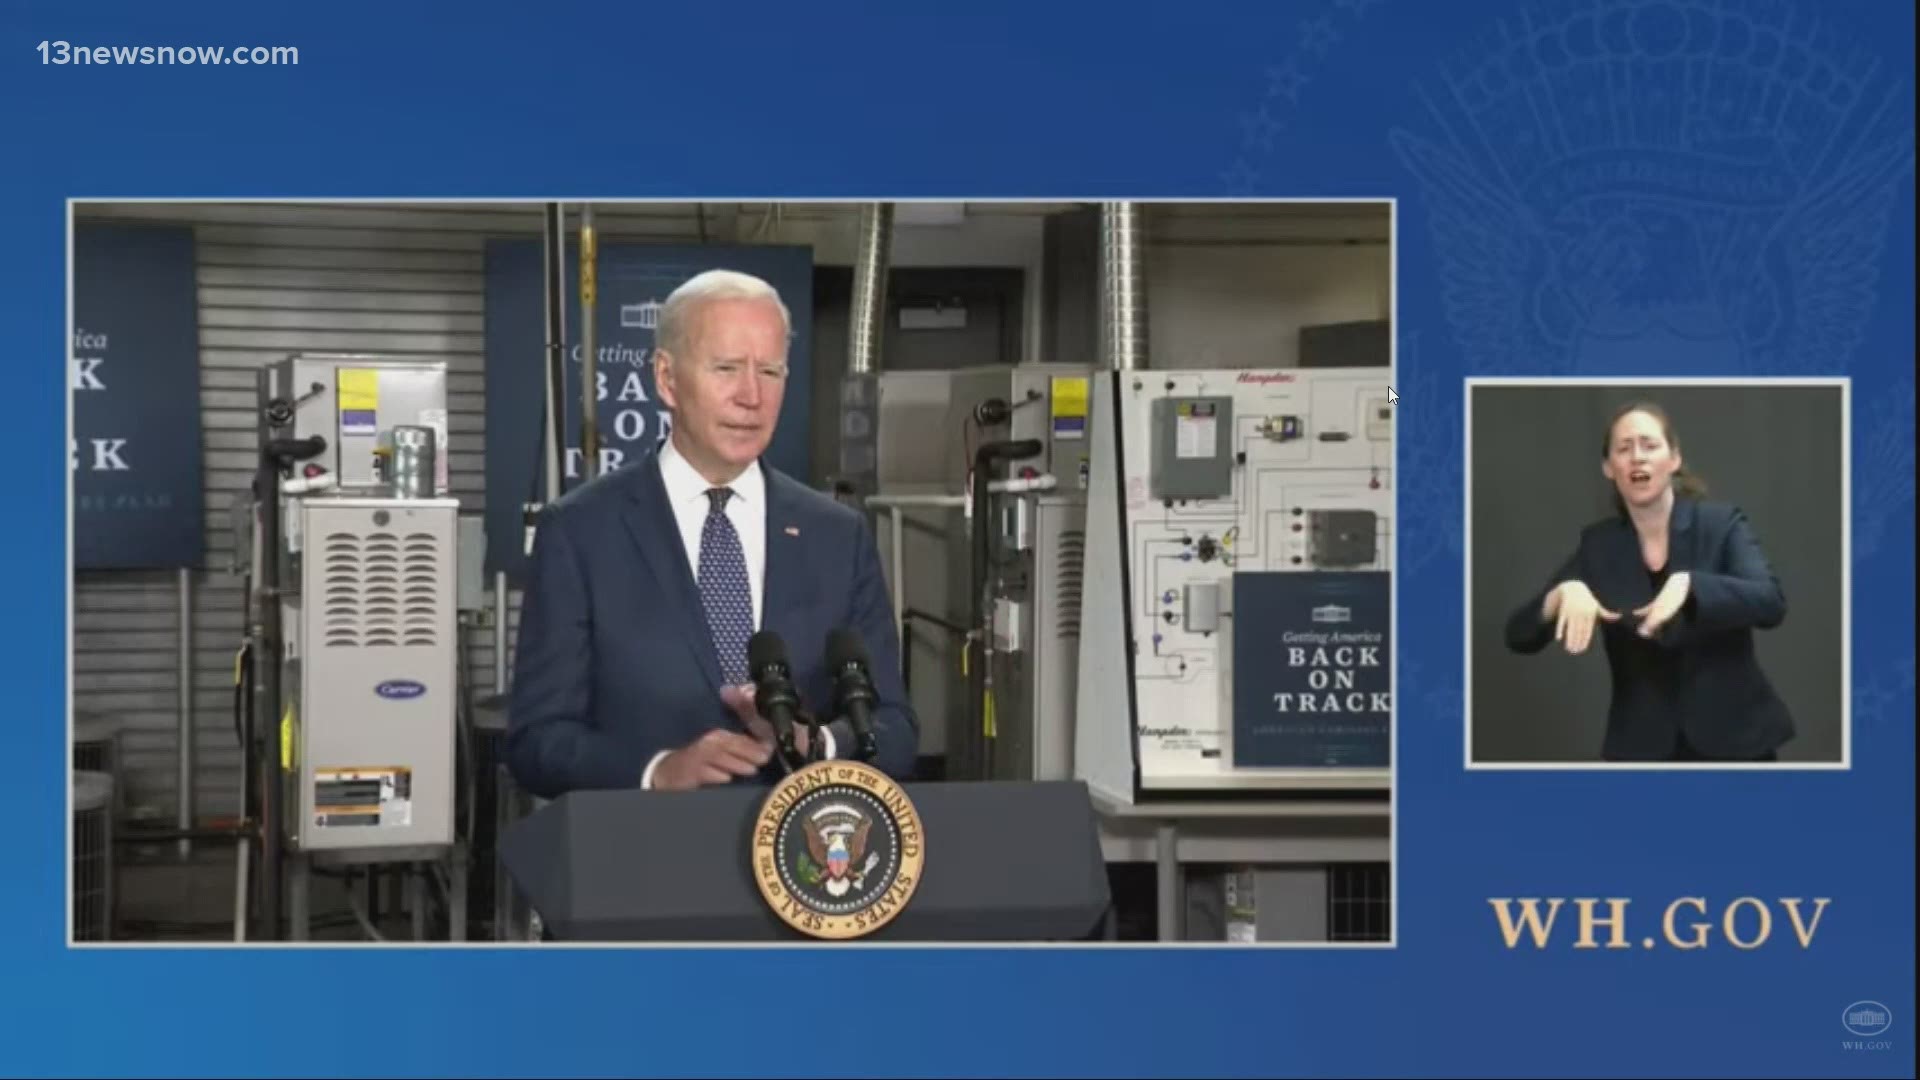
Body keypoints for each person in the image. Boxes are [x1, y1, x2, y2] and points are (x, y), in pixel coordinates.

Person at [504, 269, 919, 799]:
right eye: (726, 368)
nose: (751, 396)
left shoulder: (837, 535)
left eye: (770, 371)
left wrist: (821, 745)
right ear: (666, 379)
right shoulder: (581, 531)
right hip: (646, 860)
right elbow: (538, 741)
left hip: (804, 861)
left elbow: (896, 729)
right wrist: (659, 770)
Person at [1504, 401, 1793, 762]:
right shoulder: (1600, 547)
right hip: (1642, 750)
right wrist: (1561, 594)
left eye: (1649, 445)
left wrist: (1691, 585)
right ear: (1609, 468)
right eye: (1624, 449)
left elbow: (1770, 602)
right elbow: (1518, 636)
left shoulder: (1720, 525)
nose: (1637, 457)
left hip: (1737, 742)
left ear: (1674, 459)